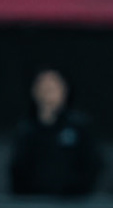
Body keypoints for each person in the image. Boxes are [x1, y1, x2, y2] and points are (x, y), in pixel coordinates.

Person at [9, 69, 102, 197]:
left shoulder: (78, 127)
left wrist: (78, 193)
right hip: (34, 204)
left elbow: (92, 165)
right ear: (34, 92)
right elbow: (17, 169)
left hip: (73, 204)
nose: (48, 94)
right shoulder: (26, 130)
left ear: (64, 91)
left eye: (53, 88)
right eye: (44, 88)